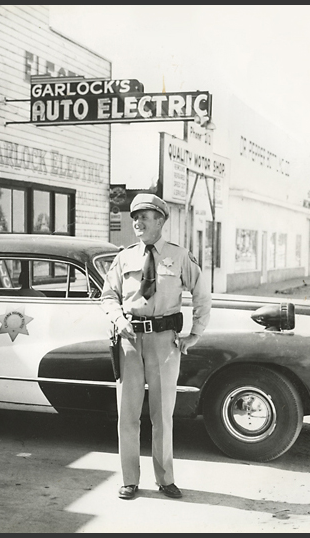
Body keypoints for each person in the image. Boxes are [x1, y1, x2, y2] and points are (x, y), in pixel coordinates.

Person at [101, 193, 211, 500]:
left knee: (162, 415)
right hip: (130, 341)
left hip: (165, 342)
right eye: (135, 217)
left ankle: (165, 479)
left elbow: (202, 295)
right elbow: (108, 296)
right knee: (128, 414)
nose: (137, 222)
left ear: (160, 221)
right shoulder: (125, 258)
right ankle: (129, 479)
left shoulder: (178, 256)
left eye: (145, 217)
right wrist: (117, 319)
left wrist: (195, 334)